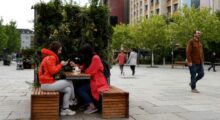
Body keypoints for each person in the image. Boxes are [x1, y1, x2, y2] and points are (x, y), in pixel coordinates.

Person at [38, 41, 76, 116]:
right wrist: (61, 65)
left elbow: (51, 69)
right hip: (47, 84)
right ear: (56, 49)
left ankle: (65, 109)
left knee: (68, 89)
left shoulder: (48, 57)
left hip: (46, 83)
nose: (60, 51)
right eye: (59, 50)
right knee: (69, 82)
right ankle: (73, 99)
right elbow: (52, 71)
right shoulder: (51, 57)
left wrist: (60, 64)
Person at [70, 43, 109, 114]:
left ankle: (92, 106)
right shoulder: (89, 58)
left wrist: (84, 69)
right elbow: (84, 67)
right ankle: (87, 103)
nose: (82, 55)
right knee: (76, 86)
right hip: (92, 80)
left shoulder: (95, 58)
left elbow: (90, 71)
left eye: (83, 53)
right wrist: (76, 65)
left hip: (98, 81)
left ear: (87, 52)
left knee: (80, 89)